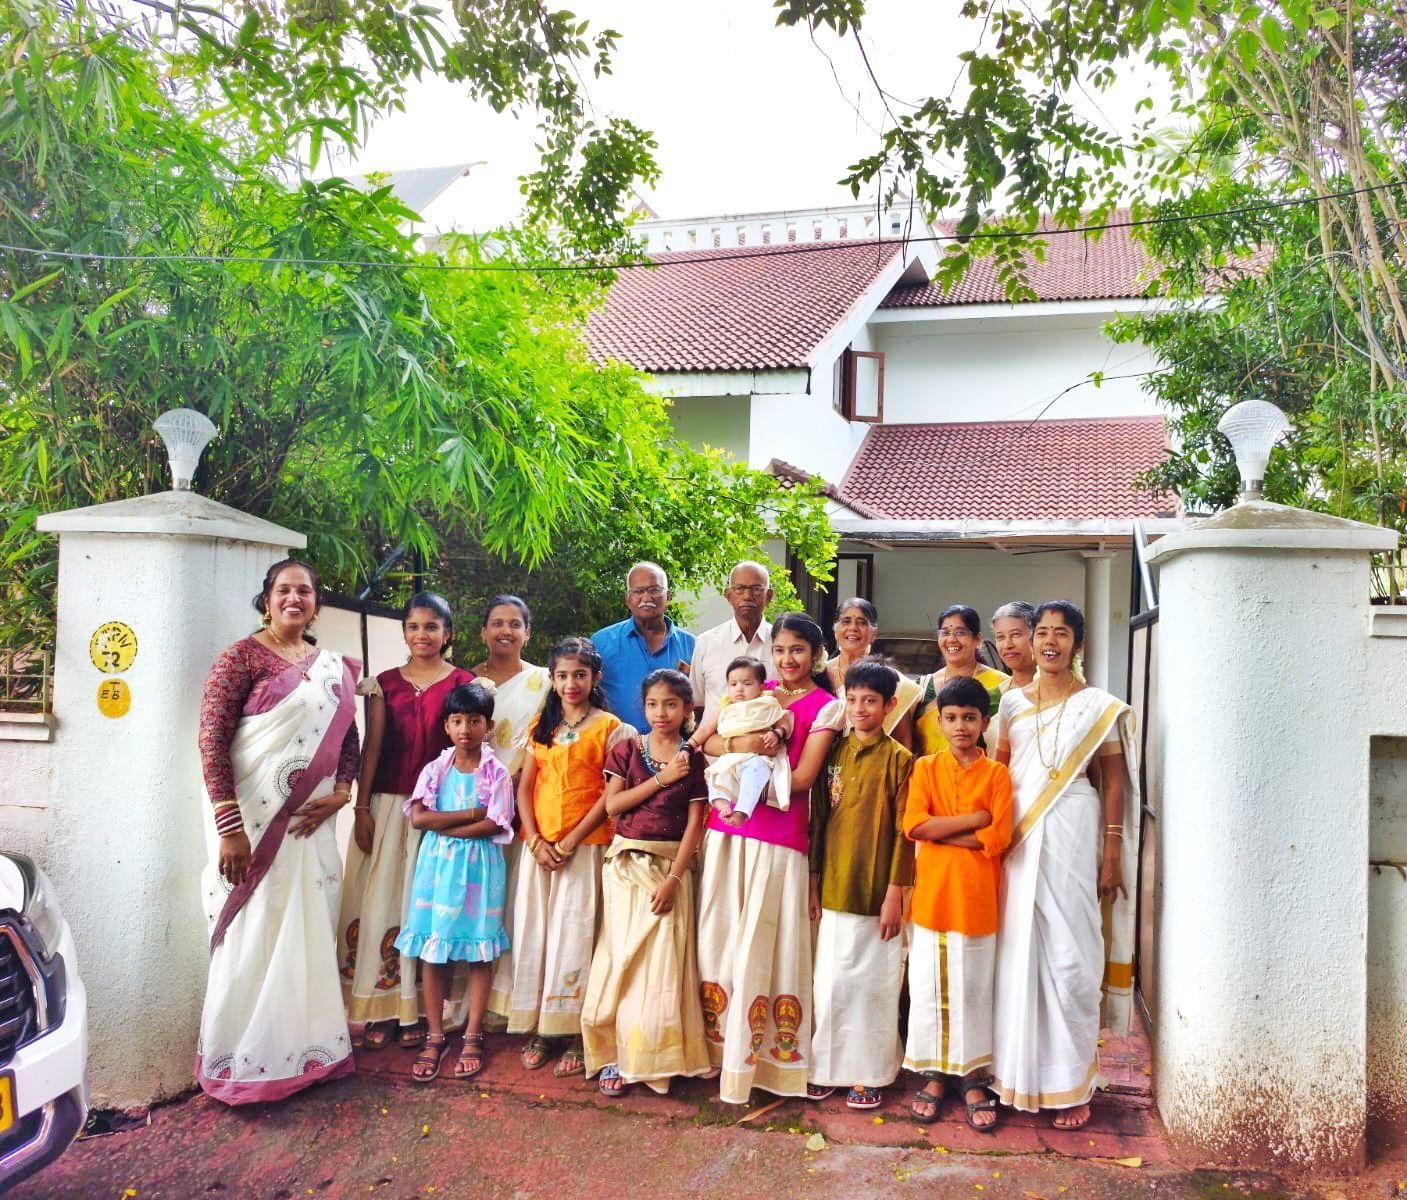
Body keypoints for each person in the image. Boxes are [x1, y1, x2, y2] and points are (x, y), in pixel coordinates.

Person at [195, 558, 360, 1104]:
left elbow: (348, 741)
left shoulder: (333, 666)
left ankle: (310, 1053)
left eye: (304, 590)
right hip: (253, 821)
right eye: (284, 590)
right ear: (266, 599)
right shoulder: (239, 658)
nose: (294, 598)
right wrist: (230, 827)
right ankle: (243, 1060)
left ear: (316, 603)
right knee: (256, 925)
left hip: (310, 824)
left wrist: (342, 793)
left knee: (308, 930)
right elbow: (212, 740)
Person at [991, 600, 1139, 1131]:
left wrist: (1112, 850)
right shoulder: (1009, 706)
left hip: (1076, 826)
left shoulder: (1097, 705)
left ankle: (1074, 1083)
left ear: (1077, 643)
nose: (1050, 641)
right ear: (1031, 641)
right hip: (1020, 839)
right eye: (1042, 633)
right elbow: (1000, 776)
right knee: (1019, 956)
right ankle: (1017, 1075)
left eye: (1061, 633)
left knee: (1072, 958)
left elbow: (1115, 779)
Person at [694, 613, 841, 1105]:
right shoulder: (755, 690)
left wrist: (742, 752)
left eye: (798, 649)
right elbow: (709, 739)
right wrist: (744, 744)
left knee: (767, 941)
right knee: (722, 936)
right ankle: (717, 1055)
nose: (787, 659)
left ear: (816, 655)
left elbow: (801, 778)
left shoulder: (826, 707)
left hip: (779, 832)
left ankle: (768, 1063)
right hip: (729, 829)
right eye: (779, 649)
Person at [488, 637, 633, 1078]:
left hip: (586, 849)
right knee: (539, 933)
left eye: (580, 675)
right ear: (551, 679)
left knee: (578, 933)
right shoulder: (541, 725)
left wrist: (570, 842)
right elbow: (524, 787)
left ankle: (575, 1033)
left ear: (596, 678)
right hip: (541, 850)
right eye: (563, 676)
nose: (571, 683)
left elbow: (611, 795)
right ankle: (541, 1027)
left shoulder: (612, 728)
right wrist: (534, 840)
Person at [337, 593, 474, 1051]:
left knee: (425, 901)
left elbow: (467, 751)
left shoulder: (464, 683)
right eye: (414, 627)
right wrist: (360, 807)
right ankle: (380, 1008)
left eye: (432, 627)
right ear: (404, 633)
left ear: (448, 633)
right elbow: (372, 748)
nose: (422, 635)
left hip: (435, 810)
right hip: (386, 807)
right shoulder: (384, 685)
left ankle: (417, 1008)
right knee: (381, 901)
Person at [581, 669, 712, 1097]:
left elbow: (696, 823)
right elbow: (614, 806)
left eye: (671, 704)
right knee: (624, 959)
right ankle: (617, 1053)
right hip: (625, 866)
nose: (661, 713)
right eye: (653, 704)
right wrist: (662, 779)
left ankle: (658, 1058)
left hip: (671, 869)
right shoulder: (627, 750)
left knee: (664, 966)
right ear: (643, 706)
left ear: (688, 708)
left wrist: (674, 878)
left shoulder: (694, 760)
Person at [903, 676, 1013, 1132]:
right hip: (932, 898)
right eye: (951, 718)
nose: (960, 726)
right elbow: (914, 826)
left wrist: (944, 828)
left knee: (973, 991)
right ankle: (932, 1074)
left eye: (970, 717)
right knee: (929, 989)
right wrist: (974, 821)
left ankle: (971, 1078)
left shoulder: (997, 775)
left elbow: (1000, 837)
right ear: (940, 722)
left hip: (976, 902)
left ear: (985, 722)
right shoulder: (926, 767)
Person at [806, 660, 913, 1111]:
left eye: (870, 701)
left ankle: (872, 1072)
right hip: (833, 885)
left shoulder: (901, 761)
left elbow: (905, 834)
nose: (858, 708)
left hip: (877, 895)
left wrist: (895, 893)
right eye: (851, 699)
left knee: (874, 986)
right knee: (831, 983)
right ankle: (825, 1068)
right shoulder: (831, 753)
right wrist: (813, 879)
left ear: (890, 705)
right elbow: (818, 820)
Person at [396, 683, 514, 1083]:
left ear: (488, 725)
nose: (466, 728)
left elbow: (496, 822)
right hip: (437, 871)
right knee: (433, 951)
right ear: (447, 726)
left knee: (479, 951)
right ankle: (434, 1034)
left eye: (474, 721)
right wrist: (470, 813)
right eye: (458, 720)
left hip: (480, 870)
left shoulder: (497, 772)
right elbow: (419, 818)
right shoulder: (435, 769)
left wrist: (456, 827)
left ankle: (474, 1033)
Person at [444, 595, 549, 1031]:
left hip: (521, 806)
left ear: (528, 632)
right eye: (496, 623)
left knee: (508, 904)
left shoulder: (543, 682)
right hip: (470, 809)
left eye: (514, 624)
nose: (505, 631)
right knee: (466, 902)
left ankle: (503, 1001)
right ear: (483, 632)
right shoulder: (466, 682)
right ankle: (458, 1002)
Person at [592, 562, 696, 731]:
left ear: (668, 596)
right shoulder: (601, 642)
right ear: (628, 598)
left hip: (675, 750)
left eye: (654, 590)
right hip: (616, 749)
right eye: (638, 591)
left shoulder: (692, 645)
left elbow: (700, 702)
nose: (646, 598)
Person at [698, 657, 793, 825]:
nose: (739, 689)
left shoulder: (766, 703)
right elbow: (706, 730)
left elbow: (784, 720)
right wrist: (689, 745)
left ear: (761, 686)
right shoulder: (726, 707)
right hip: (731, 756)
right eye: (733, 684)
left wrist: (777, 733)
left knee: (756, 771)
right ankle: (721, 804)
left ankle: (742, 811)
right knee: (716, 773)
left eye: (747, 684)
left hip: (757, 756)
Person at [824, 598, 920, 749]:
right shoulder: (820, 674)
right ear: (836, 631)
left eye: (862, 622)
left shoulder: (892, 680)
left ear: (874, 634)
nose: (853, 628)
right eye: (846, 621)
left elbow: (903, 742)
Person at [914, 605, 1009, 757]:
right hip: (928, 776)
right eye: (945, 633)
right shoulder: (922, 686)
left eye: (960, 633)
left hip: (978, 776)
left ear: (978, 639)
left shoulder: (1002, 684)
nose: (951, 639)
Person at [690, 561, 775, 720]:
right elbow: (697, 703)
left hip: (767, 741)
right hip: (715, 741)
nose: (747, 596)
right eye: (739, 589)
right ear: (728, 595)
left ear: (769, 596)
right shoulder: (706, 643)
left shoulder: (781, 644)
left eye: (756, 589)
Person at [987, 601, 1037, 753]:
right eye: (1000, 637)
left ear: (1037, 636)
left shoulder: (1060, 693)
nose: (1007, 645)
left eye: (1016, 634)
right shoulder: (990, 699)